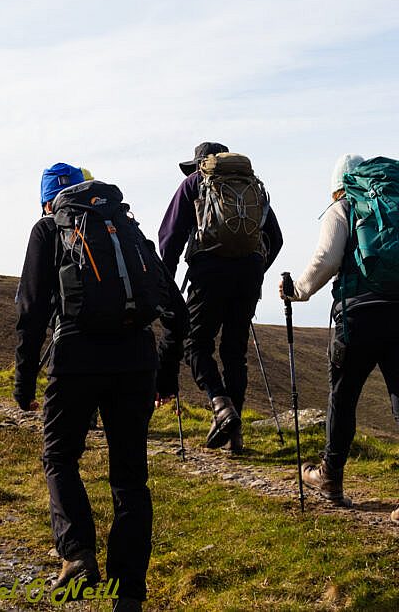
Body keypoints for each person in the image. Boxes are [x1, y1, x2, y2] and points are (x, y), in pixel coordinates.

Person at [15, 163, 187, 610]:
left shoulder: (47, 229)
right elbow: (176, 310)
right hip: (135, 359)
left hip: (75, 360)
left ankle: (77, 557)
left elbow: (32, 311)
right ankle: (128, 592)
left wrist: (24, 382)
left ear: (47, 200)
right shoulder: (124, 227)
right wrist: (165, 378)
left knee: (59, 456)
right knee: (131, 479)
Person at [280, 154, 399, 517]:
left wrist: (297, 291)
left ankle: (330, 478)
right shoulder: (393, 205)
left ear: (338, 185)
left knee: (343, 396)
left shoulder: (344, 205)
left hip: (358, 316)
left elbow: (326, 259)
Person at [159, 141, 283, 452]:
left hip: (209, 272)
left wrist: (167, 285)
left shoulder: (193, 184)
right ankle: (234, 436)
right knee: (234, 352)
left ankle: (220, 405)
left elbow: (169, 239)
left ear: (202, 162)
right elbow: (276, 238)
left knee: (195, 343)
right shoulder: (251, 187)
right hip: (249, 272)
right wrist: (255, 269)